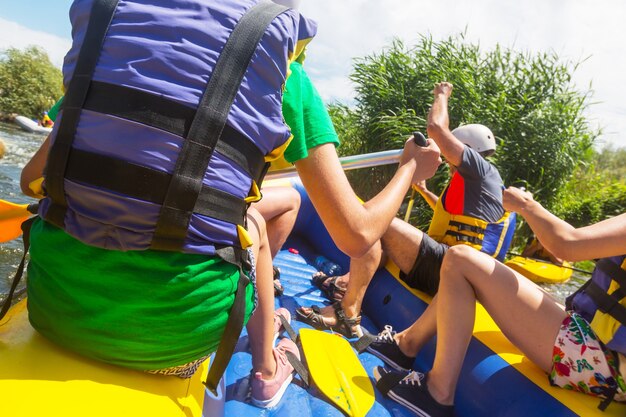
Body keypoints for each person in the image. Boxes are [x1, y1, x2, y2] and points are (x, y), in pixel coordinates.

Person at [19, 0, 441, 409]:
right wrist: (408, 168)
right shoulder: (282, 72)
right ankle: (267, 365)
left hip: (51, 311)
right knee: (250, 223)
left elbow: (30, 180)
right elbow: (359, 234)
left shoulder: (116, 37)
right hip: (172, 348)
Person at [371, 187, 626, 417]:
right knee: (477, 271)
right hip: (605, 352)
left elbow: (567, 244)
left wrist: (526, 205)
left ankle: (437, 392)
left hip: (605, 365)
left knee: (460, 260)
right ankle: (404, 344)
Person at [296, 82, 516, 338]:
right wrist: (424, 192)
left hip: (452, 271)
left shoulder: (479, 169)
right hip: (455, 268)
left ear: (467, 148)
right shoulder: (484, 184)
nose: (447, 161)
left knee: (377, 221)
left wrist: (441, 94)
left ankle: (348, 313)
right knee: (385, 223)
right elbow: (455, 218)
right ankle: (346, 281)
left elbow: (436, 128)